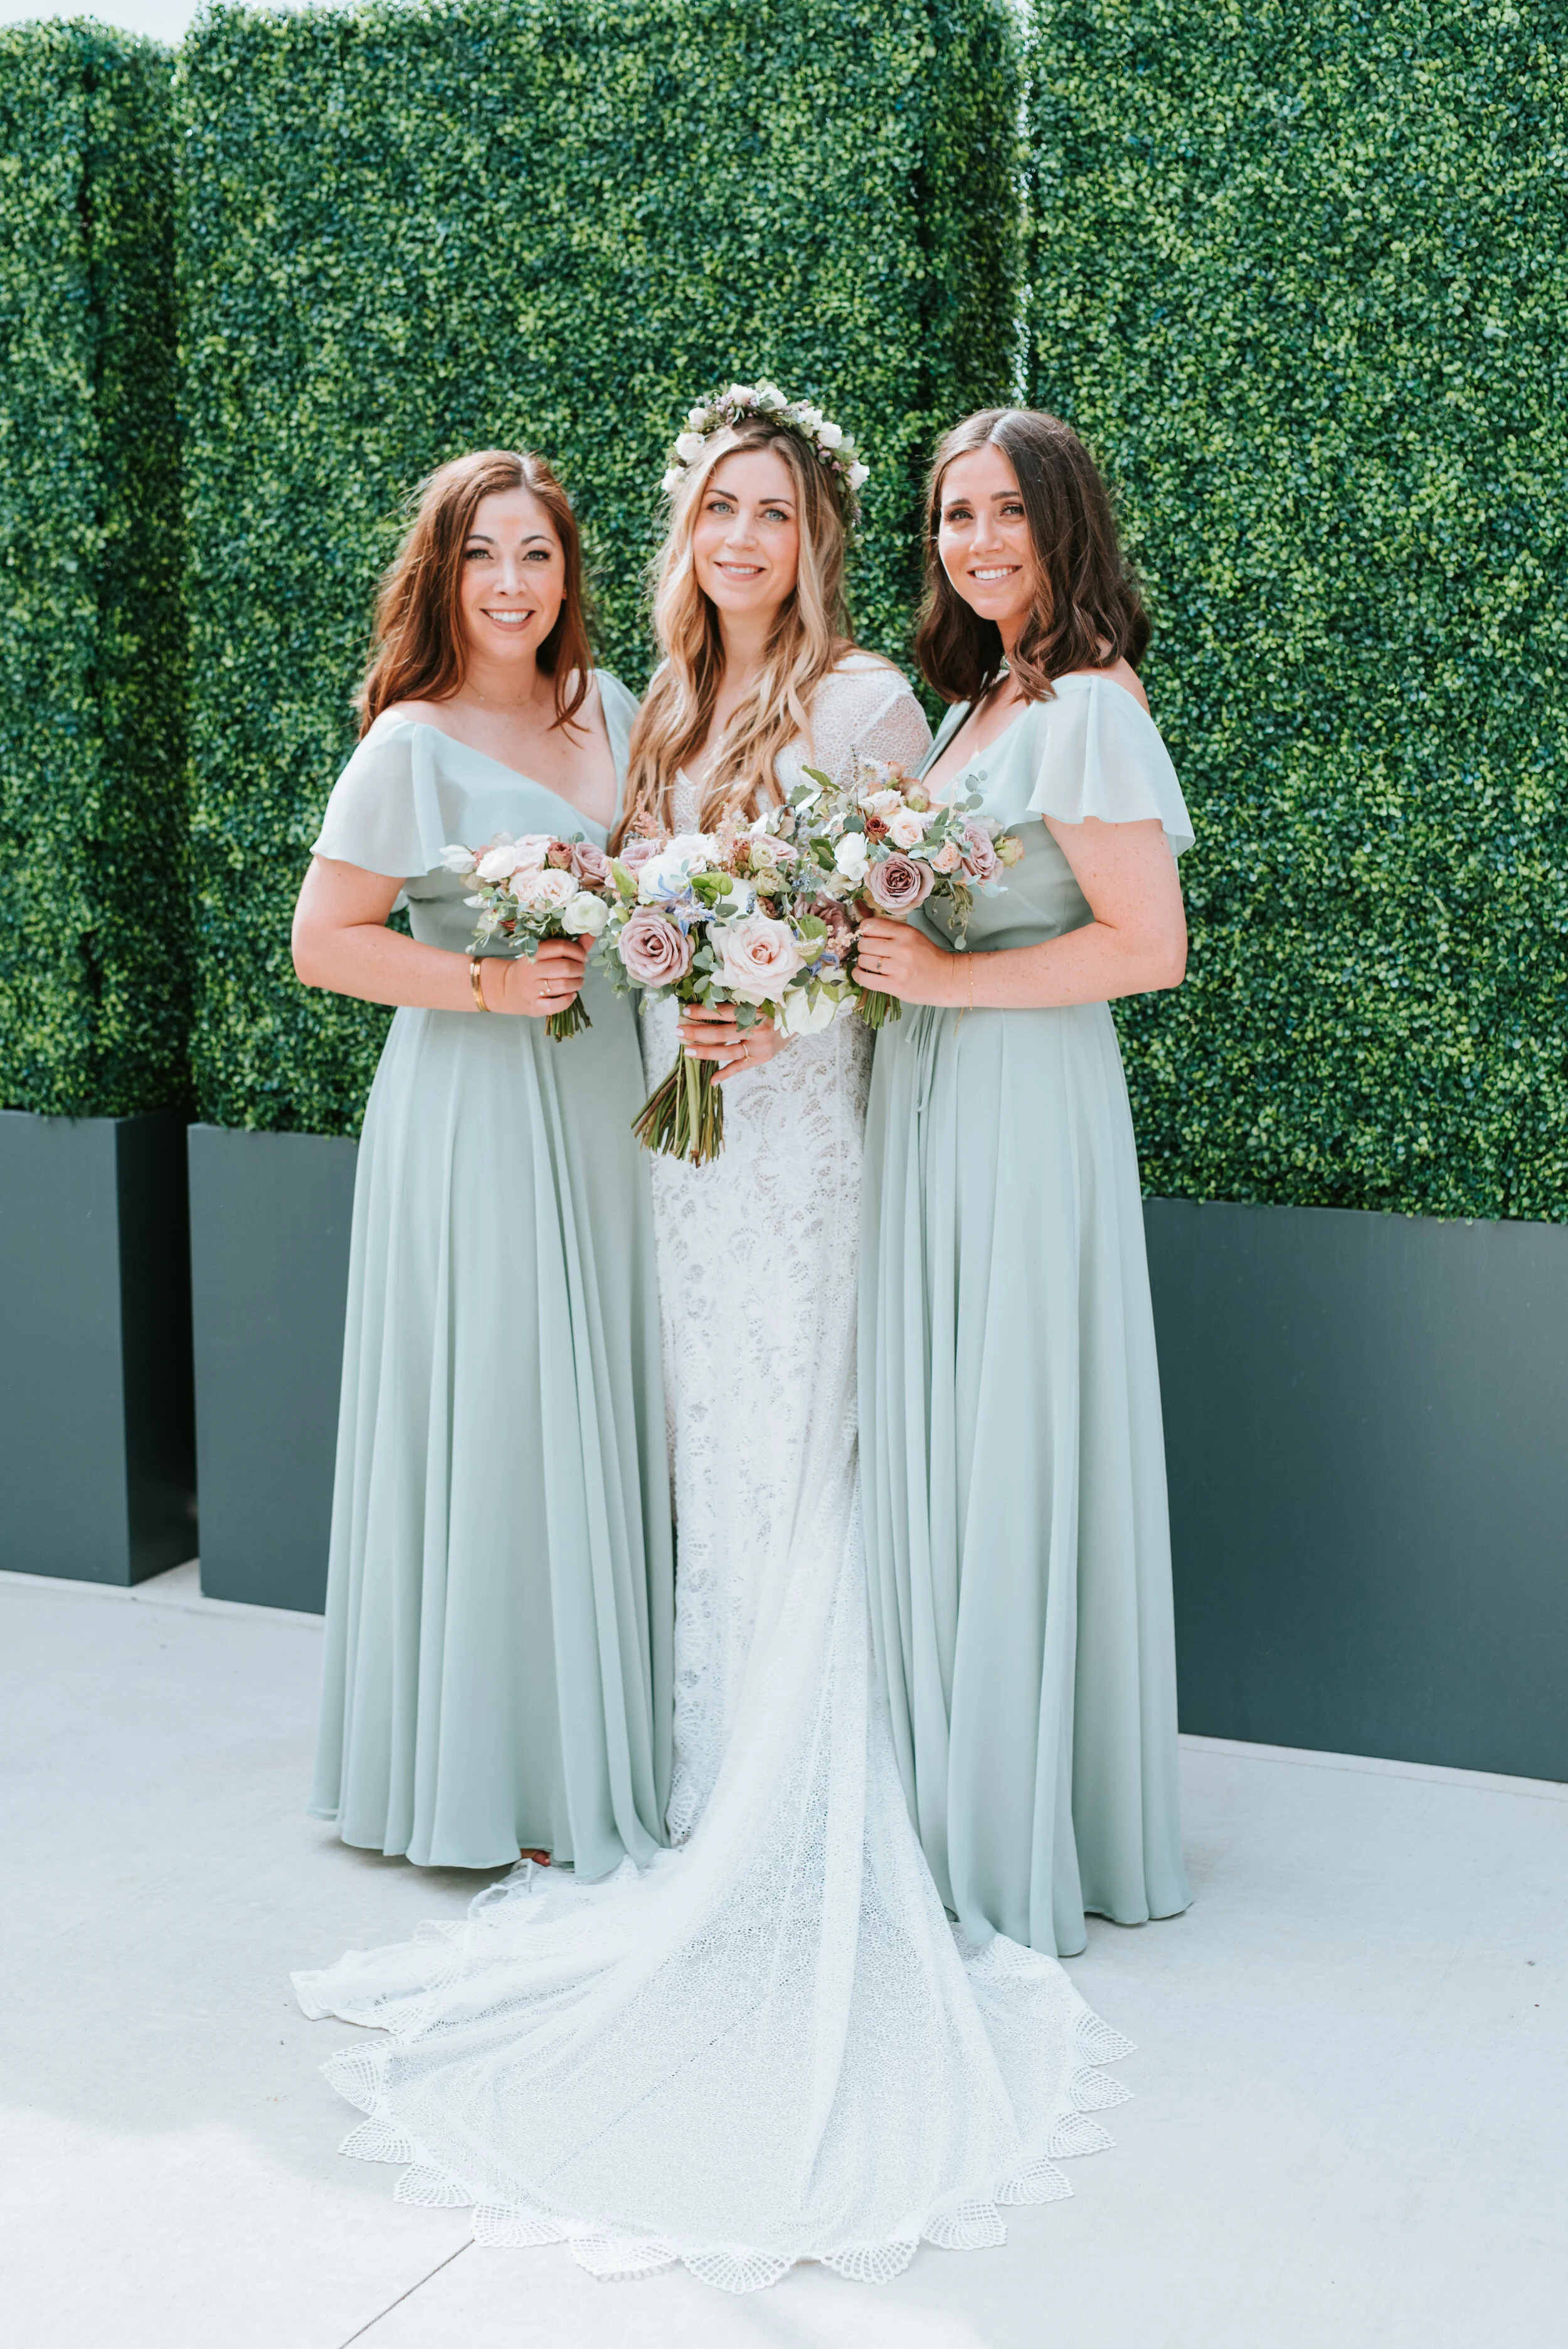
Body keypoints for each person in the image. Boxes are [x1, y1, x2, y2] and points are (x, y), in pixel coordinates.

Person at [294, 390, 1131, 2292]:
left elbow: (895, 939)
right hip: (674, 1150)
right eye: (717, 511)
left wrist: (787, 1008)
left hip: (804, 1137)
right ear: (683, 533)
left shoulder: (867, 704)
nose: (741, 540)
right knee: (706, 1440)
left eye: (773, 512)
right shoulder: (654, 708)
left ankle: (809, 1790)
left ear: (814, 537)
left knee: (804, 1431)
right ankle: (702, 1771)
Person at [294, 448, 672, 1877]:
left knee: (599, 1395)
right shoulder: (411, 741)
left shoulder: (614, 711)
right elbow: (325, 942)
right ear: (442, 575)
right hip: (472, 1101)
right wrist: (488, 986)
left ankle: (599, 1747)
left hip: (603, 1096)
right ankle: (489, 1773)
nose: (510, 583)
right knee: (502, 1401)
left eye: (536, 554)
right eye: (481, 555)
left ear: (569, 574)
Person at [857, 406, 1194, 1959]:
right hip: (936, 1089)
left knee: (1011, 1420)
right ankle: (948, 1782)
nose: (976, 541)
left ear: (1065, 525)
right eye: (953, 515)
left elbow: (1146, 945)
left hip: (1019, 1093)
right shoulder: (977, 700)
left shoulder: (1089, 707)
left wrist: (941, 983)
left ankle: (1016, 1814)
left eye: (1005, 512)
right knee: (948, 1419)